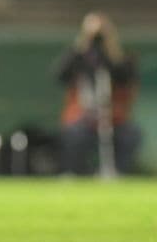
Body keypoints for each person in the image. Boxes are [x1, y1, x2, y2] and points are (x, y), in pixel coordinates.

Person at [54, 12, 142, 175]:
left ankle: (117, 172)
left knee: (130, 135)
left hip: (113, 118)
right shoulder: (78, 57)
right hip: (83, 117)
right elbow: (60, 75)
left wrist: (110, 47)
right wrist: (83, 43)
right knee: (73, 135)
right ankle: (76, 173)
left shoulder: (121, 59)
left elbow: (126, 78)